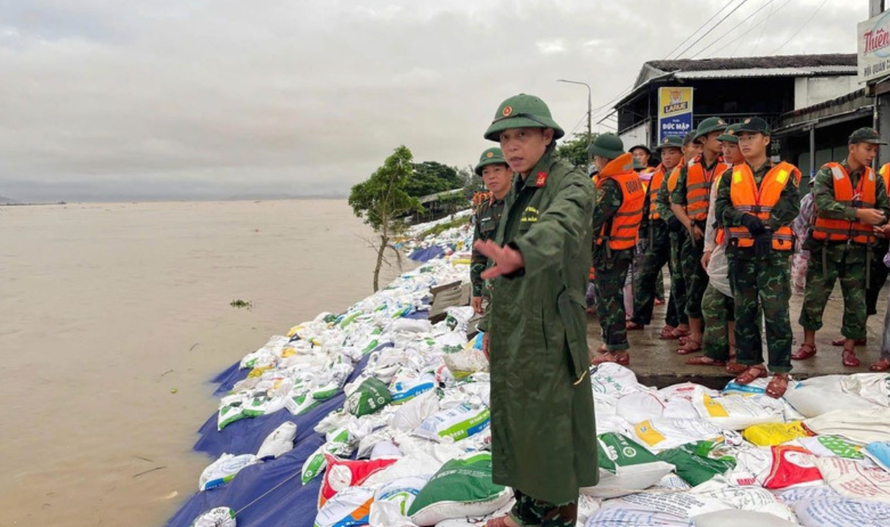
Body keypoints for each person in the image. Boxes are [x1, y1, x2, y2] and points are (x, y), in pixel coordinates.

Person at [475, 93, 597, 527]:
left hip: (549, 330)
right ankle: (525, 509)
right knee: (516, 422)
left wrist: (522, 254)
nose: (511, 147)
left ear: (547, 135)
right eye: (505, 138)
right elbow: (497, 266)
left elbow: (561, 225)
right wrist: (491, 323)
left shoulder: (571, 183)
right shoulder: (518, 187)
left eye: (522, 135)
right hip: (513, 326)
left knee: (550, 431)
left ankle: (551, 517)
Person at [715, 117, 800, 398]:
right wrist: (745, 218)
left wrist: (767, 227)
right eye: (742, 138)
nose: (745, 142)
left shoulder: (786, 172)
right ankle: (753, 364)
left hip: (773, 252)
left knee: (776, 312)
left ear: (766, 139)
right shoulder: (730, 175)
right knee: (745, 311)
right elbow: (722, 209)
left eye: (751, 136)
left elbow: (791, 205)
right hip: (741, 251)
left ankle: (780, 369)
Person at [794, 128, 890, 367]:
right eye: (868, 149)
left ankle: (849, 348)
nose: (872, 154)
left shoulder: (874, 179)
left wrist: (878, 219)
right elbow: (824, 205)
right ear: (852, 147)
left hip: (859, 252)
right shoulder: (828, 173)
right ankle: (808, 343)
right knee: (815, 297)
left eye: (875, 150)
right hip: (826, 249)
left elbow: (885, 209)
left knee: (856, 302)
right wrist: (860, 214)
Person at [672, 118, 731, 355]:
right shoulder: (688, 168)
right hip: (695, 235)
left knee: (722, 289)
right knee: (693, 285)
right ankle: (695, 336)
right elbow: (676, 203)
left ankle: (723, 339)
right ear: (703, 140)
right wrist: (689, 225)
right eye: (716, 136)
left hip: (722, 237)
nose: (721, 141)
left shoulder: (729, 166)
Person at [688, 124, 743, 371]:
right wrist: (708, 248)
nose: (727, 150)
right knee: (712, 302)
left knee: (742, 305)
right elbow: (713, 215)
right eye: (725, 145)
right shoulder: (725, 177)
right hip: (724, 246)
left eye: (733, 145)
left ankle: (741, 353)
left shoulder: (759, 175)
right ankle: (717, 351)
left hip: (750, 249)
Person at [589, 134, 645, 365]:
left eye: (597, 158)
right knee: (612, 297)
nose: (595, 162)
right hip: (624, 245)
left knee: (608, 300)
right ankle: (611, 342)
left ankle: (618, 350)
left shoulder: (611, 184)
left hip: (610, 250)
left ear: (603, 158)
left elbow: (595, 217)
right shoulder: (630, 177)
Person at [628, 135, 684, 334]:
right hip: (655, 229)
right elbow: (646, 205)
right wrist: (643, 232)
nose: (667, 156)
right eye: (664, 153)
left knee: (677, 278)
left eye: (672, 152)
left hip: (677, 229)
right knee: (644, 274)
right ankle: (639, 317)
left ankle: (673, 322)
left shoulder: (685, 172)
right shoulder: (655, 175)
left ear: (681, 152)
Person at [658, 132, 701, 340]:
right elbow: (661, 201)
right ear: (685, 149)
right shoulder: (673, 174)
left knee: (698, 282)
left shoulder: (711, 171)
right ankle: (683, 323)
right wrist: (670, 218)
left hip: (700, 233)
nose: (699, 150)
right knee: (678, 280)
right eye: (695, 146)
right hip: (678, 234)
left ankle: (696, 329)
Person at [470, 147, 510, 316]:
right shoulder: (483, 210)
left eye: (497, 170)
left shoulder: (526, 201)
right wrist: (477, 290)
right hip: (493, 289)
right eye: (486, 172)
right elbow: (478, 253)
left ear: (510, 171)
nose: (491, 176)